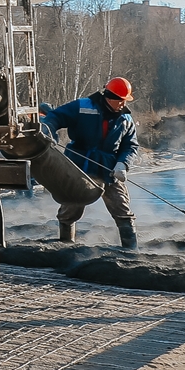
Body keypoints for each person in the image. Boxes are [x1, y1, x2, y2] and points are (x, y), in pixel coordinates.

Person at [43, 76, 140, 249]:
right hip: (79, 165)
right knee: (72, 207)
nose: (123, 105)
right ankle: (66, 244)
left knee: (121, 208)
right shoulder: (82, 107)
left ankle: (132, 249)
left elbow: (130, 146)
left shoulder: (126, 119)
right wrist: (49, 131)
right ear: (110, 97)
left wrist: (123, 164)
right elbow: (55, 117)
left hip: (109, 168)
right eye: (121, 101)